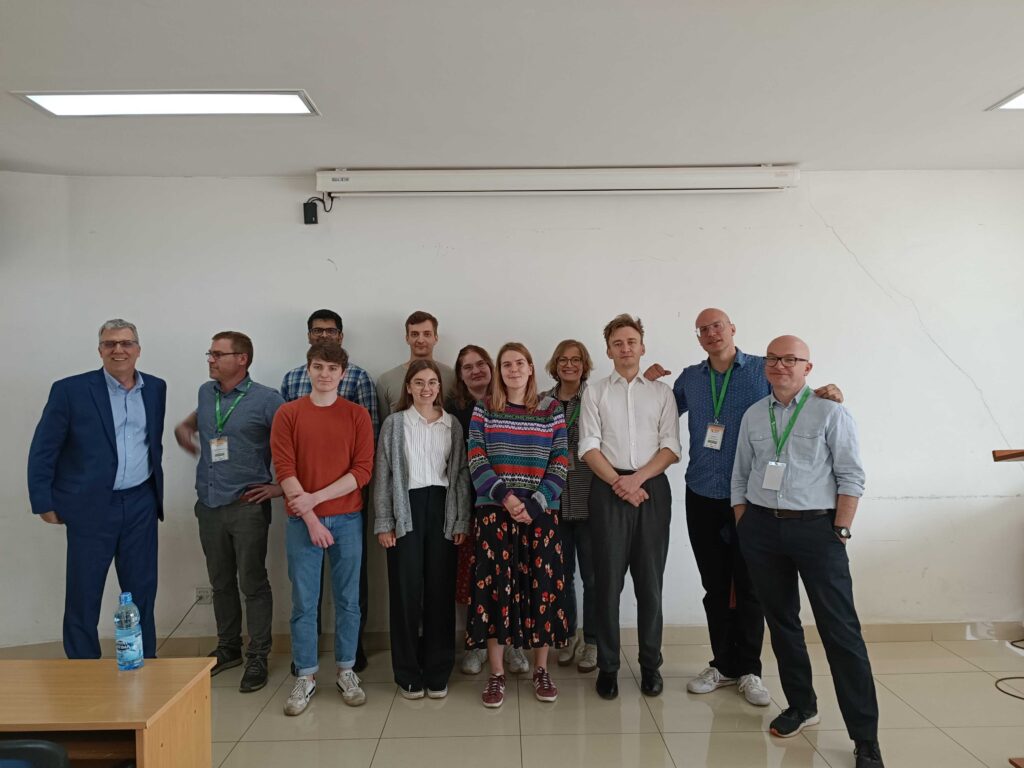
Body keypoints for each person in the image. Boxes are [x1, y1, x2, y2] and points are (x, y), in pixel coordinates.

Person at [645, 307, 843, 707]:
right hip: (701, 492)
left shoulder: (761, 369)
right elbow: (658, 415)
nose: (711, 333)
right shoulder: (691, 378)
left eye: (717, 326)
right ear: (697, 338)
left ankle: (750, 668)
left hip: (752, 498)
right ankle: (722, 663)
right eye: (702, 329)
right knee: (715, 586)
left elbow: (795, 398)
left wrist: (828, 394)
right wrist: (645, 386)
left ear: (732, 328)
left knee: (751, 587)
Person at [731, 336, 882, 768]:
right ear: (765, 366)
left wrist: (841, 530)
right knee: (782, 623)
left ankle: (865, 738)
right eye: (774, 359)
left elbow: (852, 474)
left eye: (791, 359)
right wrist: (746, 523)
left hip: (819, 530)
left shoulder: (830, 410)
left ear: (807, 367)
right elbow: (740, 475)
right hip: (762, 528)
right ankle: (801, 704)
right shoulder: (754, 415)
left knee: (842, 633)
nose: (781, 365)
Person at [28, 319, 166, 659]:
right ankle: (82, 668)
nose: (118, 349)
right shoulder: (70, 390)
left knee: (142, 591)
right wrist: (42, 500)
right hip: (89, 507)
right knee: (84, 593)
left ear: (138, 348)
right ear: (100, 349)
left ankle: (144, 660)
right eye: (109, 344)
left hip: (140, 504)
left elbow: (151, 444)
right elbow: (44, 448)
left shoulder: (156, 388)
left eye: (126, 343)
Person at [174, 331, 283, 692]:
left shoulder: (268, 400)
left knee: (252, 582)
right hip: (208, 503)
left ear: (242, 359)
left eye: (218, 354)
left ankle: (258, 656)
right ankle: (228, 648)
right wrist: (185, 429)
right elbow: (199, 422)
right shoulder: (206, 394)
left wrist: (279, 487)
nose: (210, 359)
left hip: (246, 506)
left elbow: (292, 446)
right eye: (210, 353)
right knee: (220, 582)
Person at [579, 314, 681, 701]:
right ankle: (608, 667)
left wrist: (636, 481)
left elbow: (671, 446)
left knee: (650, 585)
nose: (625, 348)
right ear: (608, 349)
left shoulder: (661, 393)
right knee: (607, 585)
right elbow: (588, 445)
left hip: (651, 489)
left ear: (642, 347)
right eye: (618, 342)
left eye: (631, 341)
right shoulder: (595, 391)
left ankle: (651, 665)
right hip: (608, 488)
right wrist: (620, 483)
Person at [271, 343, 374, 716]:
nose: (325, 374)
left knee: (348, 600)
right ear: (308, 369)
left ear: (343, 373)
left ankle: (346, 670)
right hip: (303, 523)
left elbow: (362, 471)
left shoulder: (357, 415)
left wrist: (315, 500)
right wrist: (311, 516)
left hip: (347, 519)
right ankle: (306, 675)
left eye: (332, 368)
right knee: (304, 602)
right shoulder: (288, 414)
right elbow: (284, 469)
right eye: (318, 367)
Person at [466, 342, 570, 708]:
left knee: (541, 588)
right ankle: (496, 674)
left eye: (519, 363)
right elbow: (476, 458)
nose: (513, 370)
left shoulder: (551, 409)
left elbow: (561, 459)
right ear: (499, 370)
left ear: (530, 368)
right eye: (506, 364)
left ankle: (541, 669)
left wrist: (535, 503)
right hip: (495, 512)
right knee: (495, 589)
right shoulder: (484, 409)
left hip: (541, 514)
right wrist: (508, 499)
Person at [373, 360, 471, 699]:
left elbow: (459, 476)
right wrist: (385, 522)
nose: (426, 388)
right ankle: (407, 672)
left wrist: (460, 520)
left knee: (440, 593)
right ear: (409, 387)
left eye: (432, 382)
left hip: (443, 510)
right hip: (406, 511)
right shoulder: (394, 424)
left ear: (439, 387)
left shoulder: (452, 425)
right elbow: (384, 475)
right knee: (405, 591)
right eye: (419, 382)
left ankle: (438, 669)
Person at [542, 339, 598, 673]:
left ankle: (591, 642)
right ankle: (566, 636)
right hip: (553, 500)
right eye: (563, 359)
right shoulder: (544, 402)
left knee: (592, 576)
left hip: (589, 496)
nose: (569, 365)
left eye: (576, 360)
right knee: (560, 575)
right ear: (554, 364)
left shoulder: (595, 397)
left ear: (584, 364)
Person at [377, 311, 457, 419]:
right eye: (415, 334)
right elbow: (384, 428)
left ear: (436, 338)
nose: (420, 340)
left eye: (427, 334)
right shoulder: (385, 381)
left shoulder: (452, 377)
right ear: (407, 338)